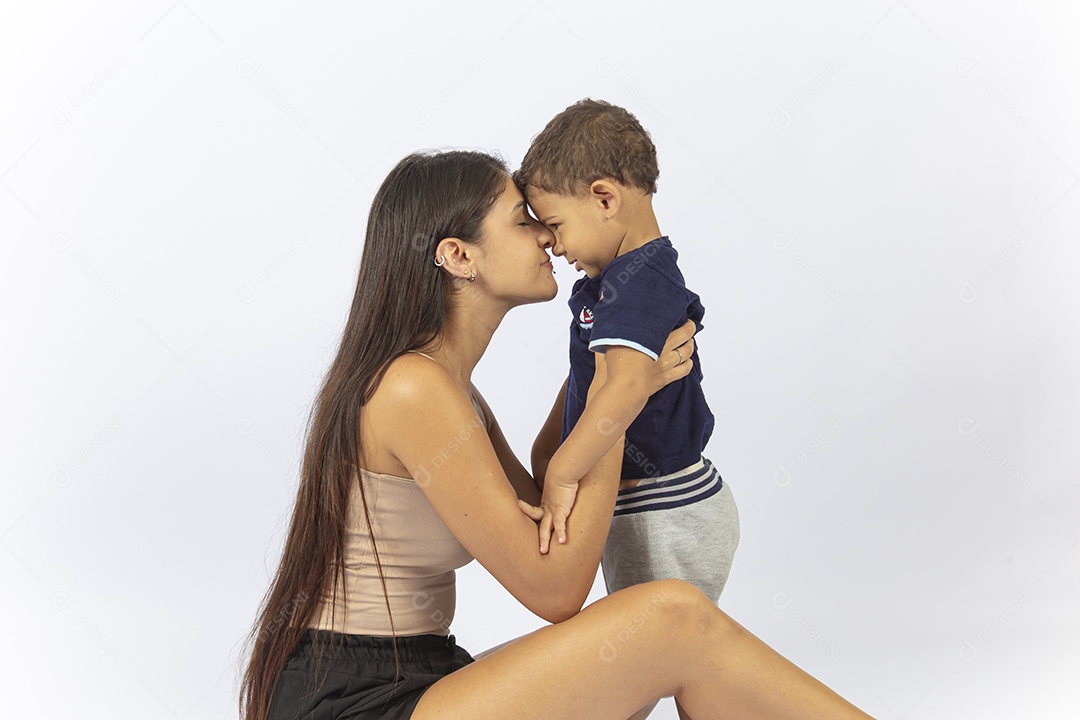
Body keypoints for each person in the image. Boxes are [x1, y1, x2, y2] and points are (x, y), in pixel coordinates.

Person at [239, 149, 874, 720]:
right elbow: (556, 586)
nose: (547, 233)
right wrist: (622, 401)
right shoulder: (412, 388)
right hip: (359, 701)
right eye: (522, 220)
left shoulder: (453, 392)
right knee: (670, 620)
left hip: (425, 678)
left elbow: (552, 505)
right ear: (458, 255)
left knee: (641, 652)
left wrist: (620, 368)